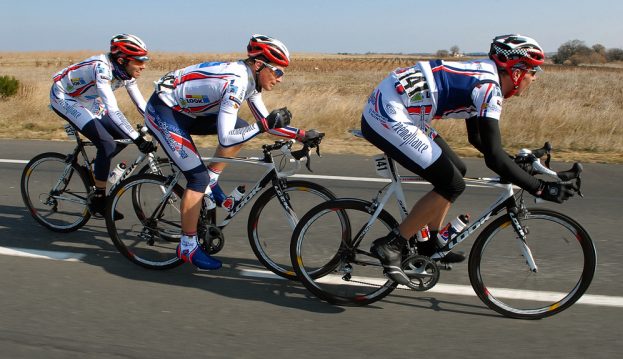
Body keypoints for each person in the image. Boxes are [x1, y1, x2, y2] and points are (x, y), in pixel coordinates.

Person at [362, 34, 577, 284]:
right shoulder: (488, 87)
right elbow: (493, 158)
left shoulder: (484, 76)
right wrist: (539, 189)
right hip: (389, 113)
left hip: (408, 111)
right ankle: (392, 244)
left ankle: (430, 243)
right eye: (533, 70)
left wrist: (518, 165)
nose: (535, 77)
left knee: (457, 170)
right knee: (451, 183)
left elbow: (479, 140)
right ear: (516, 71)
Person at [145, 34, 320, 270]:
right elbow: (227, 138)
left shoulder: (250, 81)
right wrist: (264, 125)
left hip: (187, 112)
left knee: (240, 126)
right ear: (259, 65)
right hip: (164, 111)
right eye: (277, 72)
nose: (280, 79)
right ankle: (187, 246)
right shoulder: (235, 82)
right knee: (197, 178)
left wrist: (301, 134)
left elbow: (263, 122)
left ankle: (212, 179)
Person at [50, 34, 155, 218]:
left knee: (121, 138)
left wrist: (159, 124)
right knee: (107, 143)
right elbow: (113, 109)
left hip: (88, 101)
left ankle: (97, 167)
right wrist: (138, 138)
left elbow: (141, 105)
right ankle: (99, 200)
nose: (143, 65)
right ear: (122, 60)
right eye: (139, 61)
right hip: (65, 98)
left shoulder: (125, 72)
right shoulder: (102, 68)